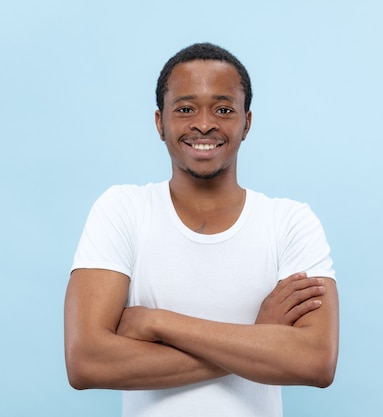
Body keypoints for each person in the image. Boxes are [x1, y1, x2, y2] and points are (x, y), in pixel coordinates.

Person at [64, 42, 339, 417]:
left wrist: (158, 322)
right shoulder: (124, 210)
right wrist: (258, 337)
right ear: (161, 122)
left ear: (247, 122)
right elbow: (86, 362)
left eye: (224, 109)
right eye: (186, 109)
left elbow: (315, 362)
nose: (205, 123)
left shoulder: (289, 221)